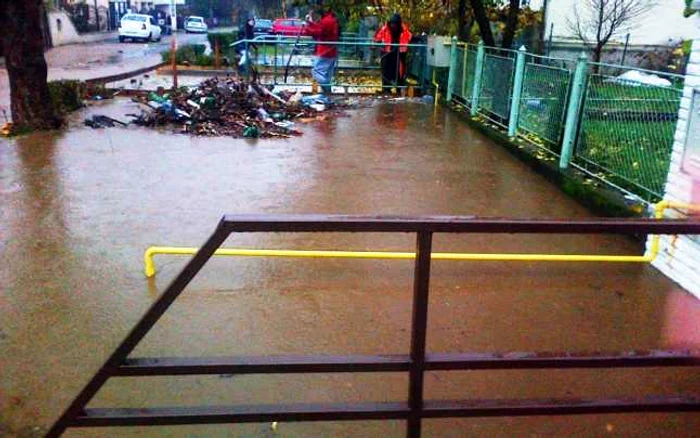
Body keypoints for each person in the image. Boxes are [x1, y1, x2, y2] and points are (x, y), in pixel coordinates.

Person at [305, 4, 339, 95]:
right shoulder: (330, 20)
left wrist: (307, 25)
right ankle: (327, 94)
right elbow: (319, 29)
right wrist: (310, 24)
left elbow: (317, 32)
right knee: (327, 74)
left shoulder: (326, 21)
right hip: (331, 50)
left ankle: (327, 90)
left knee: (316, 71)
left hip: (325, 51)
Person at [374, 13, 412, 92]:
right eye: (391, 23)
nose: (393, 25)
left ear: (398, 23)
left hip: (400, 53)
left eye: (394, 23)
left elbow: (410, 37)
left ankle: (399, 89)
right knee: (386, 72)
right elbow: (377, 38)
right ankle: (386, 89)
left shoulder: (404, 29)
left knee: (400, 72)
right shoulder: (385, 29)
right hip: (387, 54)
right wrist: (379, 43)